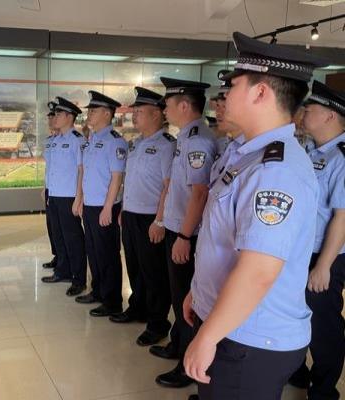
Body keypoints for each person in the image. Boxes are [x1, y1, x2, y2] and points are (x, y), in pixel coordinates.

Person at [183, 31, 328, 400]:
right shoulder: (246, 153)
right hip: (231, 321)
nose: (224, 95)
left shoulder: (274, 170)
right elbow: (223, 240)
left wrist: (208, 336)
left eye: (232, 85)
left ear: (260, 92)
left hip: (248, 339)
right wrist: (200, 294)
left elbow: (258, 271)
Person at [149, 77, 216, 389]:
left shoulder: (197, 141)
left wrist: (185, 237)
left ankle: (187, 366)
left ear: (185, 106)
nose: (164, 110)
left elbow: (199, 193)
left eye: (168, 104)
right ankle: (178, 344)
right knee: (179, 298)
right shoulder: (187, 138)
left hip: (188, 233)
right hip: (178, 227)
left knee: (187, 302)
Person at [288, 81, 345, 400]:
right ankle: (297, 372)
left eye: (310, 109)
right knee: (294, 314)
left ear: (330, 116)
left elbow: (342, 217)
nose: (303, 113)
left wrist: (323, 266)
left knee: (323, 325)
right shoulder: (308, 150)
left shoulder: (341, 157)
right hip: (300, 251)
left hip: (326, 255)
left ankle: (324, 391)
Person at [110, 87, 175, 347]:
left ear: (157, 114)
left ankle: (158, 323)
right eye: (134, 111)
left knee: (154, 272)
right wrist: (124, 210)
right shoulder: (136, 144)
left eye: (139, 111)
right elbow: (132, 181)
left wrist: (160, 220)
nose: (134, 116)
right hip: (131, 215)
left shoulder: (167, 146)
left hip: (150, 218)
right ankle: (138, 307)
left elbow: (168, 187)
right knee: (135, 266)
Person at [75, 90, 128, 317]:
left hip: (105, 207)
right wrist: (81, 200)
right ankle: (97, 291)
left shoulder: (114, 141)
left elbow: (117, 177)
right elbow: (86, 173)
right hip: (90, 205)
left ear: (107, 114)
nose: (89, 114)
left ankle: (112, 300)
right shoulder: (92, 139)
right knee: (94, 252)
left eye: (94, 111)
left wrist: (108, 208)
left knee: (107, 254)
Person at [41, 97, 88, 296]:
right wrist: (47, 190)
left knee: (73, 239)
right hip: (54, 194)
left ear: (69, 117)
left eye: (59, 114)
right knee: (59, 236)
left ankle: (79, 279)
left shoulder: (78, 140)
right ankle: (63, 271)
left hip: (69, 196)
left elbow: (82, 171)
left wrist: (79, 198)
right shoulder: (56, 140)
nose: (55, 117)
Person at [42, 101, 59, 270]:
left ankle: (64, 258)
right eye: (50, 116)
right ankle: (57, 255)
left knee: (61, 228)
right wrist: (44, 186)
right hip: (50, 188)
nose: (50, 119)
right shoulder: (49, 141)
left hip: (63, 191)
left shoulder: (73, 140)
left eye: (53, 116)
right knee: (51, 225)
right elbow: (49, 167)